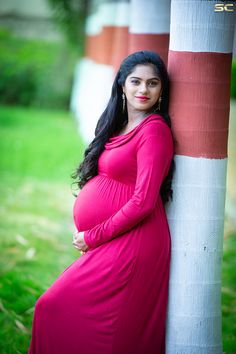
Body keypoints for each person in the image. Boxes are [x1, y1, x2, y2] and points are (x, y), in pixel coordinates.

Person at [28, 50, 175, 354]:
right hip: (116, 238)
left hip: (135, 242)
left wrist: (92, 235)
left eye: (153, 83)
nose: (143, 90)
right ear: (121, 84)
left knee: (55, 306)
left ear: (162, 89)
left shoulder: (155, 131)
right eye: (135, 81)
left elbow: (143, 202)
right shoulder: (120, 124)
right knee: (82, 318)